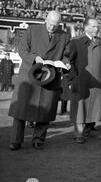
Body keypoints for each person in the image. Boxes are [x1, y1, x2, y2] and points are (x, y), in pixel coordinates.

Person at [8, 10, 71, 150]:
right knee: (21, 111)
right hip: (30, 76)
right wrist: (34, 58)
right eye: (50, 24)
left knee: (45, 110)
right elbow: (22, 49)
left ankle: (38, 140)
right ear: (45, 19)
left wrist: (66, 62)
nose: (52, 27)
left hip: (50, 77)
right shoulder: (32, 30)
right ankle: (15, 140)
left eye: (55, 25)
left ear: (59, 24)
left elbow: (66, 55)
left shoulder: (65, 35)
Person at [69, 18, 101, 144]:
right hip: (81, 80)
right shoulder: (76, 41)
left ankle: (88, 129)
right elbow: (70, 60)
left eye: (97, 26)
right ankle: (78, 132)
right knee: (80, 108)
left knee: (94, 106)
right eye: (94, 26)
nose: (97, 29)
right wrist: (74, 77)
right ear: (86, 27)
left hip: (97, 81)